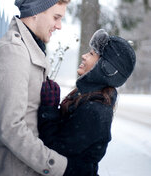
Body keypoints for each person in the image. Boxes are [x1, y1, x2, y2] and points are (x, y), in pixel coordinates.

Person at [0, 0, 70, 176]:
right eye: (56, 17)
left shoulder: (30, 49)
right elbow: (11, 128)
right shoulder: (13, 53)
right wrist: (59, 166)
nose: (59, 26)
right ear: (36, 12)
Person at [38, 29, 136, 176]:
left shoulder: (94, 110)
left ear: (106, 68)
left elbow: (55, 150)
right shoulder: (87, 97)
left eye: (91, 54)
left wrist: (49, 109)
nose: (84, 56)